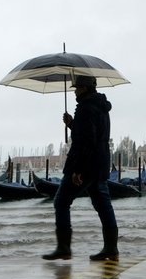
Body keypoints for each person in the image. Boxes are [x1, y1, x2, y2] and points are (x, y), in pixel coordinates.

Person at [42, 74, 119, 261]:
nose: (75, 91)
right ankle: (111, 249)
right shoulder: (101, 107)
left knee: (61, 201)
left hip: (86, 164)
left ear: (84, 89)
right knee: (103, 205)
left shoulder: (85, 108)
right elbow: (90, 133)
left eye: (77, 88)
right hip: (100, 163)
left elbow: (85, 141)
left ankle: (64, 248)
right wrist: (72, 125)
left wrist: (78, 170)